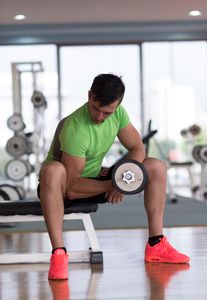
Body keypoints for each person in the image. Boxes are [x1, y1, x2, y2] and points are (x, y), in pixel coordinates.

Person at [38, 73, 190, 280]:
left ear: (117, 106)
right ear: (90, 96)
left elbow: (137, 148)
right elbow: (72, 189)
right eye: (96, 109)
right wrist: (114, 184)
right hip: (62, 187)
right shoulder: (75, 128)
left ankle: (156, 244)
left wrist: (122, 180)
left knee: (155, 166)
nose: (100, 117)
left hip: (94, 178)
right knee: (53, 170)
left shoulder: (118, 114)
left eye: (107, 113)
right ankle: (59, 254)